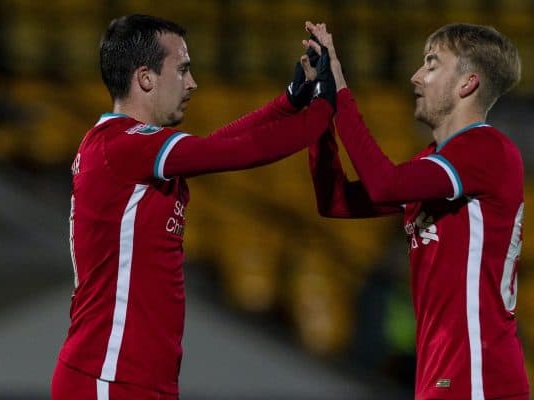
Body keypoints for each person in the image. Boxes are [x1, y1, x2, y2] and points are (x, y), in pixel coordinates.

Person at [51, 14, 336, 400]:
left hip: (134, 378)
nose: (192, 83)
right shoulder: (122, 146)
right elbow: (236, 152)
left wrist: (288, 102)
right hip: (109, 375)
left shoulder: (125, 147)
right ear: (145, 77)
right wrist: (324, 108)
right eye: (183, 69)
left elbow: (217, 144)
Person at [304, 21, 529, 399]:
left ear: (466, 84)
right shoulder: (435, 163)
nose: (415, 77)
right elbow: (336, 201)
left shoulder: (486, 149)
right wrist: (319, 111)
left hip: (478, 378)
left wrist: (341, 90)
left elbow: (384, 184)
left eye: (431, 64)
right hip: (444, 376)